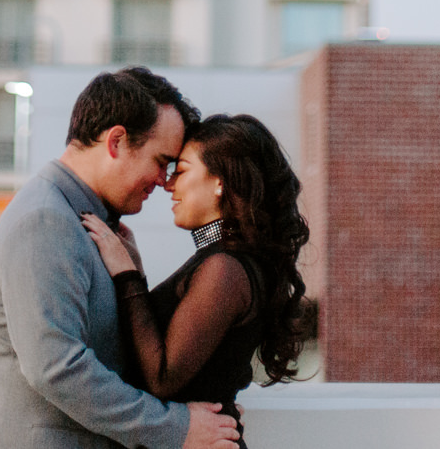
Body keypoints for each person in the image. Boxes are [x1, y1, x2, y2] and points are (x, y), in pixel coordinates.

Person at [0, 67, 243, 449]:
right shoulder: (45, 220)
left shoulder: (82, 220)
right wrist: (176, 427)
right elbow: (57, 368)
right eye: (161, 161)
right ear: (116, 141)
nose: (165, 181)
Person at [81, 114, 309, 444]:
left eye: (182, 171)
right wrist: (136, 270)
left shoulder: (225, 268)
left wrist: (126, 275)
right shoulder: (222, 261)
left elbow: (162, 377)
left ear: (221, 183)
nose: (169, 185)